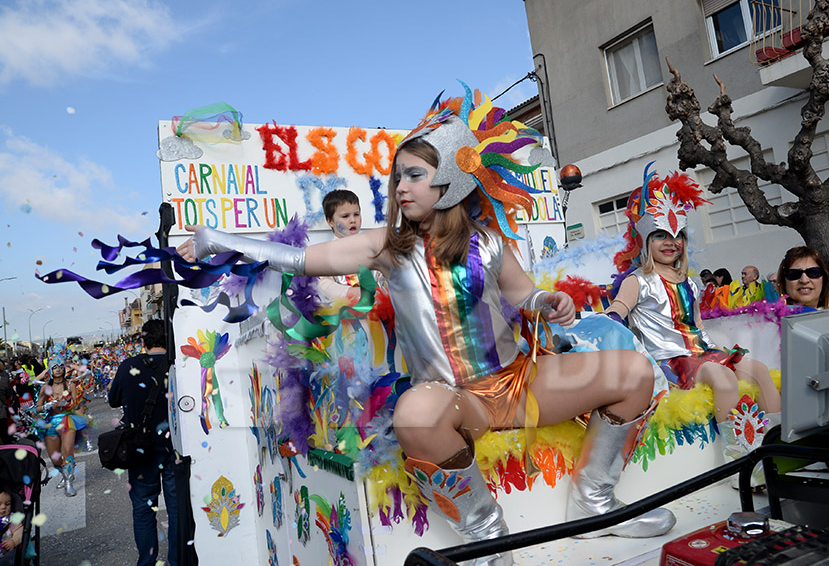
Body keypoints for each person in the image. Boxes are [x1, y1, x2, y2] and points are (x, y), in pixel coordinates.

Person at [178, 89, 675, 564]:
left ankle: (594, 500)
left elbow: (524, 295)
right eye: (397, 178)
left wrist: (552, 301)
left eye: (413, 175)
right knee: (414, 413)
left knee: (633, 371)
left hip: (521, 384)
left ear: (452, 181)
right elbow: (301, 258)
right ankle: (487, 542)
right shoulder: (387, 247)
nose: (400, 187)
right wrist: (216, 239)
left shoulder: (489, 242)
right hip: (455, 398)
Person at [606, 169, 780, 488]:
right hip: (670, 361)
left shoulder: (691, 282)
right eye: (660, 235)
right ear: (645, 241)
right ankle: (738, 466)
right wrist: (606, 322)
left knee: (761, 370)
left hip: (701, 353)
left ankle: (777, 450)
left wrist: (717, 351)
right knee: (723, 378)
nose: (670, 243)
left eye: (677, 236)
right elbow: (617, 311)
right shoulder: (638, 281)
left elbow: (697, 325)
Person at [108, 320, 179, 566]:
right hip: (175, 447)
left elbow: (113, 399)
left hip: (140, 449)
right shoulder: (177, 363)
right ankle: (178, 560)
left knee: (143, 510)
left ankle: (147, 562)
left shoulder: (129, 366)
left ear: (143, 342)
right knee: (177, 509)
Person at [36, 361, 88, 496]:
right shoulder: (45, 388)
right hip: (51, 422)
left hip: (67, 420)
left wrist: (68, 403)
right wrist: (47, 406)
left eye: (60, 367)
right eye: (54, 367)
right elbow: (38, 408)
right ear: (50, 370)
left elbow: (76, 405)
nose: (58, 370)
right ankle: (65, 476)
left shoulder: (70, 384)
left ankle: (69, 482)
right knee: (54, 457)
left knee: (67, 451)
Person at [319, 189, 367, 302]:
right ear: (330, 221)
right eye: (345, 216)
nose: (353, 220)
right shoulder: (326, 252)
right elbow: (323, 283)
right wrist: (350, 292)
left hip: (375, 310)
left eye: (356, 214)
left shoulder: (371, 247)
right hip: (344, 311)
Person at [0, 488, 23, 566]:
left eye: (7, 504)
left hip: (5, 553)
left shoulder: (13, 520)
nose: (3, 507)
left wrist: (14, 541)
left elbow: (20, 531)